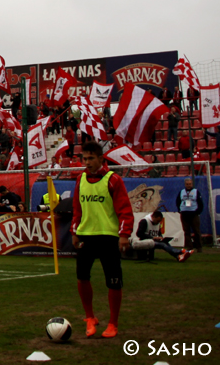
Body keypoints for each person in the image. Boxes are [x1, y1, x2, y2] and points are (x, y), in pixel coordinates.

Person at [71, 141, 133, 339]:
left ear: (101, 159)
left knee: (113, 281)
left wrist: (124, 235)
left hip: (108, 236)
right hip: (86, 236)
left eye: (90, 158)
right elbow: (77, 209)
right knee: (82, 277)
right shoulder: (80, 179)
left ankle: (113, 322)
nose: (87, 162)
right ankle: (90, 317)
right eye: (84, 158)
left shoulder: (113, 180)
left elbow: (125, 210)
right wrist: (74, 231)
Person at [176, 177, 203, 253]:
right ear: (185, 184)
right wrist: (180, 210)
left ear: (192, 184)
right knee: (186, 231)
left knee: (196, 231)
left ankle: (199, 247)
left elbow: (200, 203)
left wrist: (197, 212)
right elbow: (178, 202)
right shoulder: (181, 192)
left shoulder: (196, 192)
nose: (188, 185)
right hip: (184, 214)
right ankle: (189, 247)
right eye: (187, 184)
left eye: (190, 184)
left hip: (193, 213)